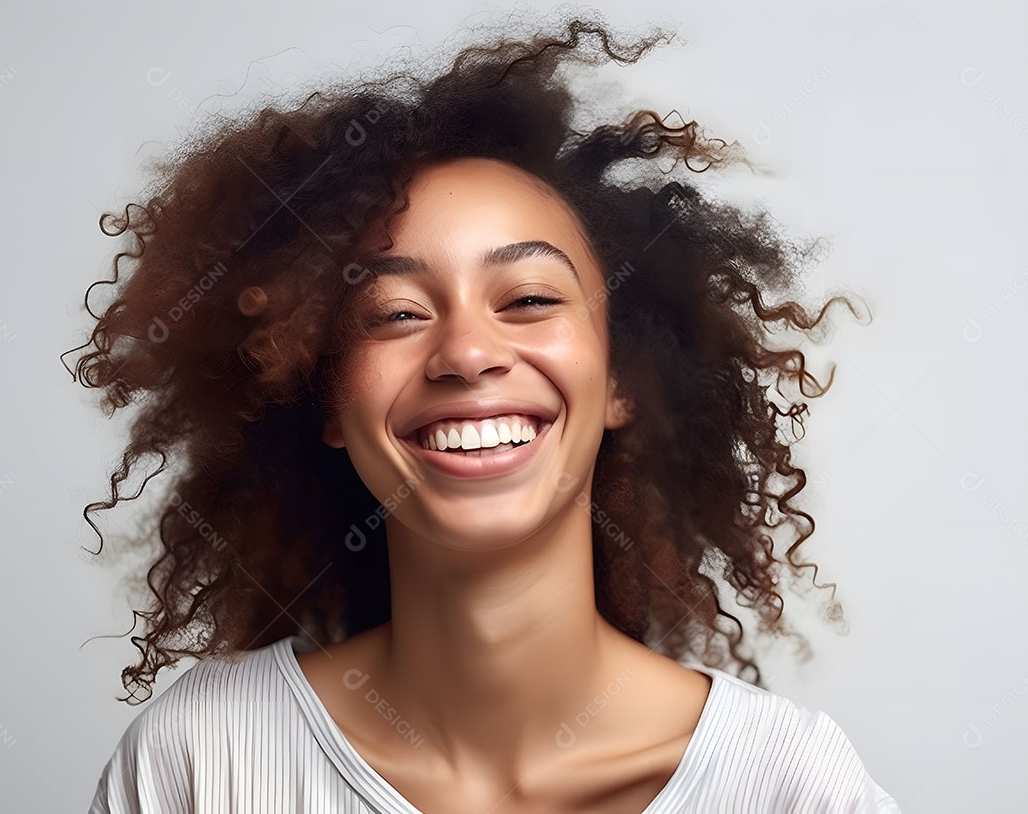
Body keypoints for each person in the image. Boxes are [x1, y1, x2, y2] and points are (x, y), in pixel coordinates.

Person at [71, 14, 901, 813]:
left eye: (530, 298)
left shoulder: (790, 788)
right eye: (397, 313)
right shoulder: (202, 763)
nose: (467, 353)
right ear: (324, 398)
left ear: (622, 376)